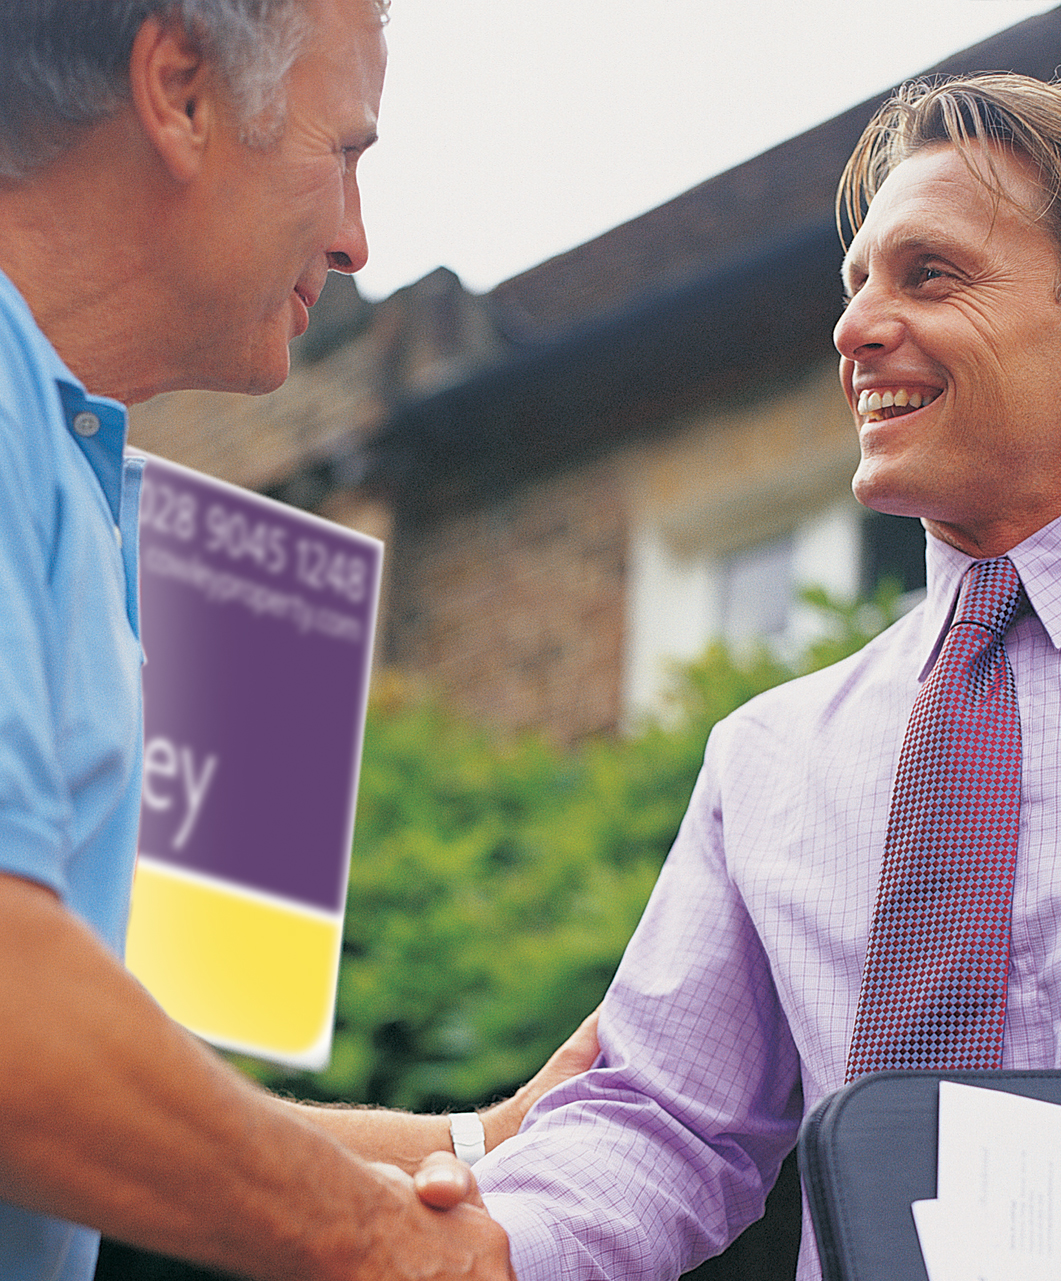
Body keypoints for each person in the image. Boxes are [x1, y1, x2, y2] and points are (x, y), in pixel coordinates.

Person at [470, 71, 1061, 1280]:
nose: (855, 328)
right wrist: (457, 1250)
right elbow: (663, 1125)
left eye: (929, 275)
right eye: (857, 284)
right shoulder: (772, 755)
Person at [0, 2, 598, 1279]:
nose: (356, 234)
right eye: (346, 151)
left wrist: (461, 1141)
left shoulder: (62, 457)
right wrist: (390, 1247)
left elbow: (81, 1072)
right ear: (181, 92)